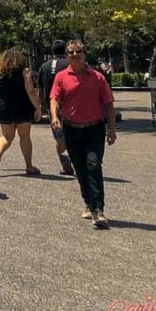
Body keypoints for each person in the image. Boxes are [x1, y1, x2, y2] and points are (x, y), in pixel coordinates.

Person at [50, 40, 116, 229]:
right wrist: (54, 117)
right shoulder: (61, 77)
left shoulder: (97, 77)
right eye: (71, 52)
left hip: (93, 128)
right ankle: (88, 202)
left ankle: (98, 209)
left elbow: (109, 103)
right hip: (71, 128)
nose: (75, 54)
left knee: (94, 165)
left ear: (85, 55)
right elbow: (55, 99)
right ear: (66, 56)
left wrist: (111, 128)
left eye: (79, 51)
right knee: (80, 169)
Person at [0, 49, 42, 176]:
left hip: (4, 108)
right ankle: (29, 166)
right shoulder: (24, 73)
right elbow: (30, 91)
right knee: (25, 138)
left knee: (6, 137)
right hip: (22, 108)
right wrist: (38, 107)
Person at [36, 40, 75, 176]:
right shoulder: (69, 64)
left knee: (59, 138)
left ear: (52, 51)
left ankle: (65, 163)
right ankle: (76, 161)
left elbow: (40, 88)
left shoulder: (44, 66)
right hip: (70, 105)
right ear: (65, 50)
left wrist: (41, 105)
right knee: (73, 134)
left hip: (52, 107)